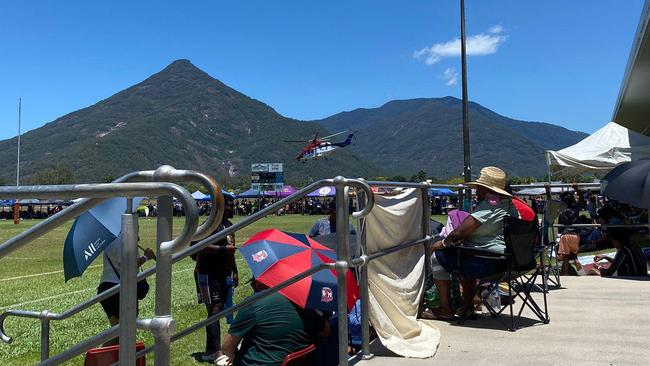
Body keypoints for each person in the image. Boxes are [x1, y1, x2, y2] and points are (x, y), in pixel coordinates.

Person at [429, 166, 519, 319]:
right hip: (509, 260)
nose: (476, 192)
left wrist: (442, 243)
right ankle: (467, 306)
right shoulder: (509, 205)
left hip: (489, 262)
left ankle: (446, 309)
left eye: (479, 188)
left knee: (437, 257)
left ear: (488, 190)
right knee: (464, 256)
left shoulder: (489, 206)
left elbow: (460, 231)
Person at [221, 278, 329, 366]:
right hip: (300, 361)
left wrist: (230, 356)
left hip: (259, 363)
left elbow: (227, 348)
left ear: (259, 283)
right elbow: (326, 331)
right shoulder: (301, 301)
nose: (254, 288)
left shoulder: (254, 303)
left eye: (253, 284)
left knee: (223, 359)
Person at [191, 197, 238, 363]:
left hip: (223, 274)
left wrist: (234, 270)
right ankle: (218, 352)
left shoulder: (230, 225)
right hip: (207, 273)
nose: (233, 208)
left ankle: (209, 350)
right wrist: (223, 249)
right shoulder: (209, 225)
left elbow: (231, 250)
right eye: (230, 205)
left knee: (220, 310)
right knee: (214, 310)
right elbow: (196, 247)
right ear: (221, 208)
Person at [97, 238, 155, 345]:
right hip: (119, 289)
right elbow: (128, 266)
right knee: (126, 332)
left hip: (106, 288)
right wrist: (146, 257)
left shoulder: (111, 241)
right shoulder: (123, 243)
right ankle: (107, 354)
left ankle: (112, 356)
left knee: (118, 331)